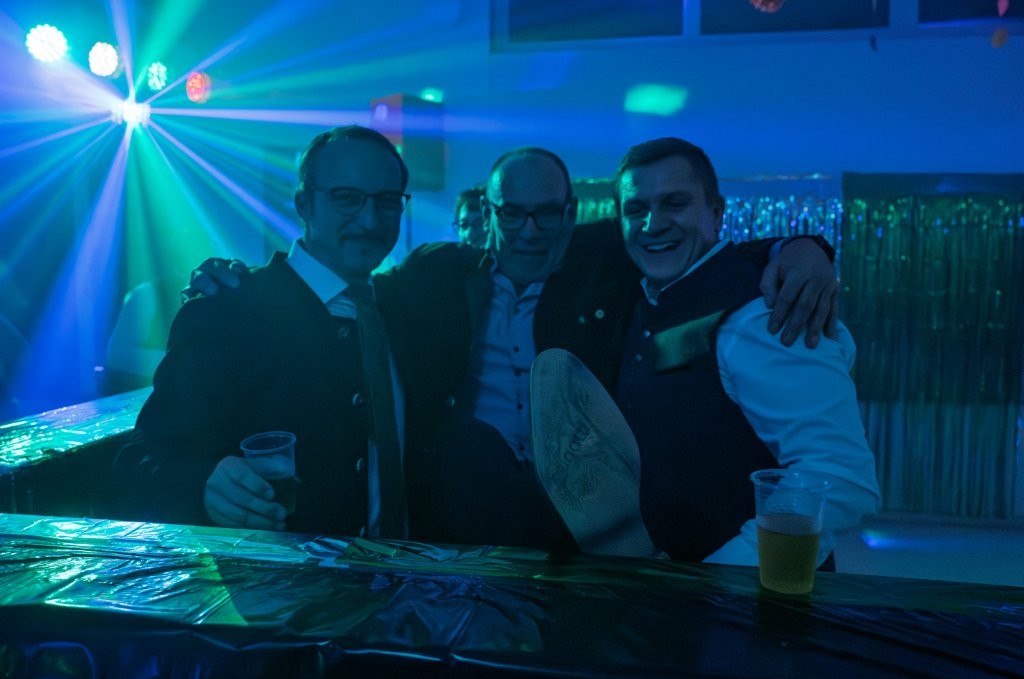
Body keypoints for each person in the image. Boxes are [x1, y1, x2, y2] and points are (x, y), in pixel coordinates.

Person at [185, 146, 839, 553]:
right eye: (512, 213)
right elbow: (336, 278)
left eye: (547, 213)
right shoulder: (435, 274)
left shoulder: (604, 262)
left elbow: (694, 245)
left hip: (590, 519)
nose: (530, 231)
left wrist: (798, 249)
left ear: (570, 213)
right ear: (489, 213)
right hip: (465, 515)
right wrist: (241, 279)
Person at [111, 125, 410, 540]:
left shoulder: (406, 307)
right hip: (283, 579)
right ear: (304, 204)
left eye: (388, 201)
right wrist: (203, 486)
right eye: (346, 198)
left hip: (408, 573)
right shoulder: (226, 310)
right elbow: (144, 459)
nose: (370, 219)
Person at [594, 137, 879, 565]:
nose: (653, 224)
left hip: (747, 596)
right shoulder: (648, 295)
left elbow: (839, 476)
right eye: (637, 209)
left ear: (715, 213)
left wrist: (721, 578)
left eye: (675, 203)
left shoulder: (760, 316)